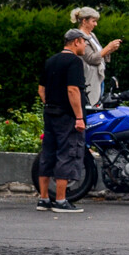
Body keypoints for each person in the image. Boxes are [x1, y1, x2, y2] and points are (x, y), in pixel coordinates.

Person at [37, 29, 89, 213]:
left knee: (48, 154)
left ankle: (43, 199)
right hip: (67, 116)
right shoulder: (74, 61)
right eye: (84, 42)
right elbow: (73, 90)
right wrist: (79, 117)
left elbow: (41, 90)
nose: (85, 46)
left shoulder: (51, 61)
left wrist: (52, 104)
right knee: (66, 153)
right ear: (76, 41)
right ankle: (60, 200)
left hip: (50, 113)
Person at [71, 7, 122, 107]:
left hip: (98, 78)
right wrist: (108, 47)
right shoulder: (80, 37)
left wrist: (111, 49)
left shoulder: (92, 35)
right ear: (84, 21)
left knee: (97, 104)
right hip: (89, 79)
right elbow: (91, 58)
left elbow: (101, 54)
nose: (96, 24)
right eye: (93, 21)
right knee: (90, 105)